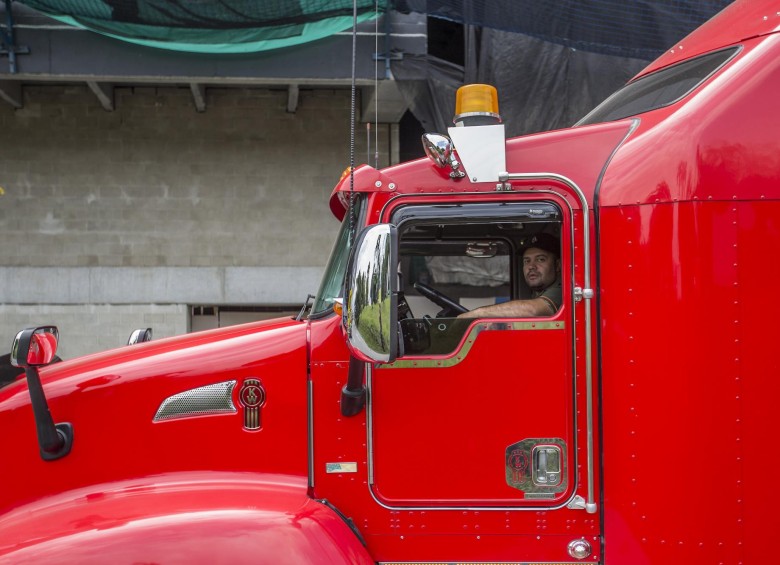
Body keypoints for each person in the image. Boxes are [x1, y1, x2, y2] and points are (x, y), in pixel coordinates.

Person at [458, 233, 561, 318]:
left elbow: (531, 310)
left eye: (540, 259)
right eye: (527, 261)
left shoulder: (563, 290)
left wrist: (477, 314)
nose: (531, 266)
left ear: (557, 265)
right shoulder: (539, 291)